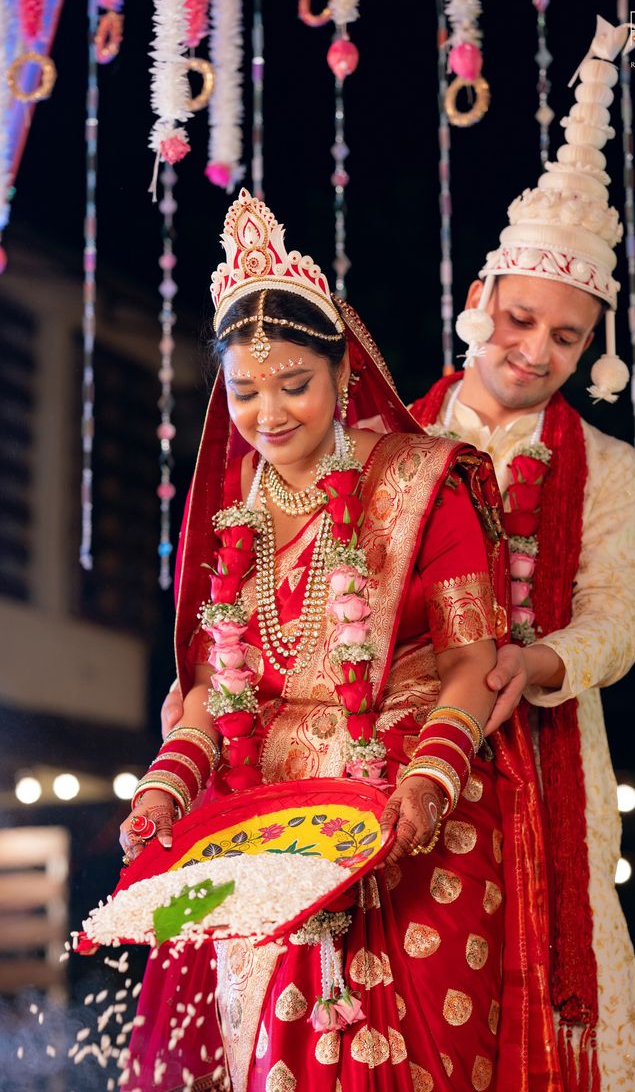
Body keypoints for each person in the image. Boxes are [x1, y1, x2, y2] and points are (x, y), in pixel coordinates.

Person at [120, 188, 563, 1091]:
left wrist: (426, 784)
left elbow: (473, 663)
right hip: (267, 810)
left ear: (341, 376)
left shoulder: (419, 482)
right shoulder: (231, 507)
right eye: (245, 390)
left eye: (294, 384)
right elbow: (218, 683)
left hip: (407, 797)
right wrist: (168, 785)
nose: (269, 412)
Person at [411, 16, 635, 1092]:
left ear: (590, 347)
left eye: (566, 337)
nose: (534, 352)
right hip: (404, 761)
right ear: (477, 305)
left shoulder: (608, 468)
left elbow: (616, 617)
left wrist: (536, 663)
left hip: (549, 765)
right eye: (517, 320)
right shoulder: (391, 447)